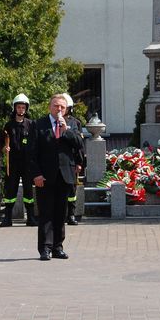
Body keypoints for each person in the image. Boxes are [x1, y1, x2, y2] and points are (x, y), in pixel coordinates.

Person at [29, 94, 83, 261]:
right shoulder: (38, 125)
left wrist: (66, 130)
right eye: (56, 106)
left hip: (65, 175)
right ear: (49, 107)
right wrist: (36, 174)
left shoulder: (72, 124)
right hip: (45, 176)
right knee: (45, 213)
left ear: (66, 109)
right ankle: (45, 248)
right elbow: (31, 153)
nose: (59, 109)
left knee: (61, 213)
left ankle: (58, 247)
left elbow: (79, 145)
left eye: (62, 107)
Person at [0, 93, 36, 227]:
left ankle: (31, 218)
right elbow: (2, 144)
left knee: (28, 191)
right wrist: (5, 148)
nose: (21, 110)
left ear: (26, 109)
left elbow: (35, 143)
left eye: (23, 107)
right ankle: (7, 218)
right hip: (13, 163)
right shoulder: (8, 126)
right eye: (18, 107)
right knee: (10, 190)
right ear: (14, 108)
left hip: (27, 164)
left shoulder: (31, 125)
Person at [62, 93, 86, 226]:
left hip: (71, 161)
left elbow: (79, 145)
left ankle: (71, 214)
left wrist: (79, 162)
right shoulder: (52, 121)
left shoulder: (75, 123)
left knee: (71, 190)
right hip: (57, 162)